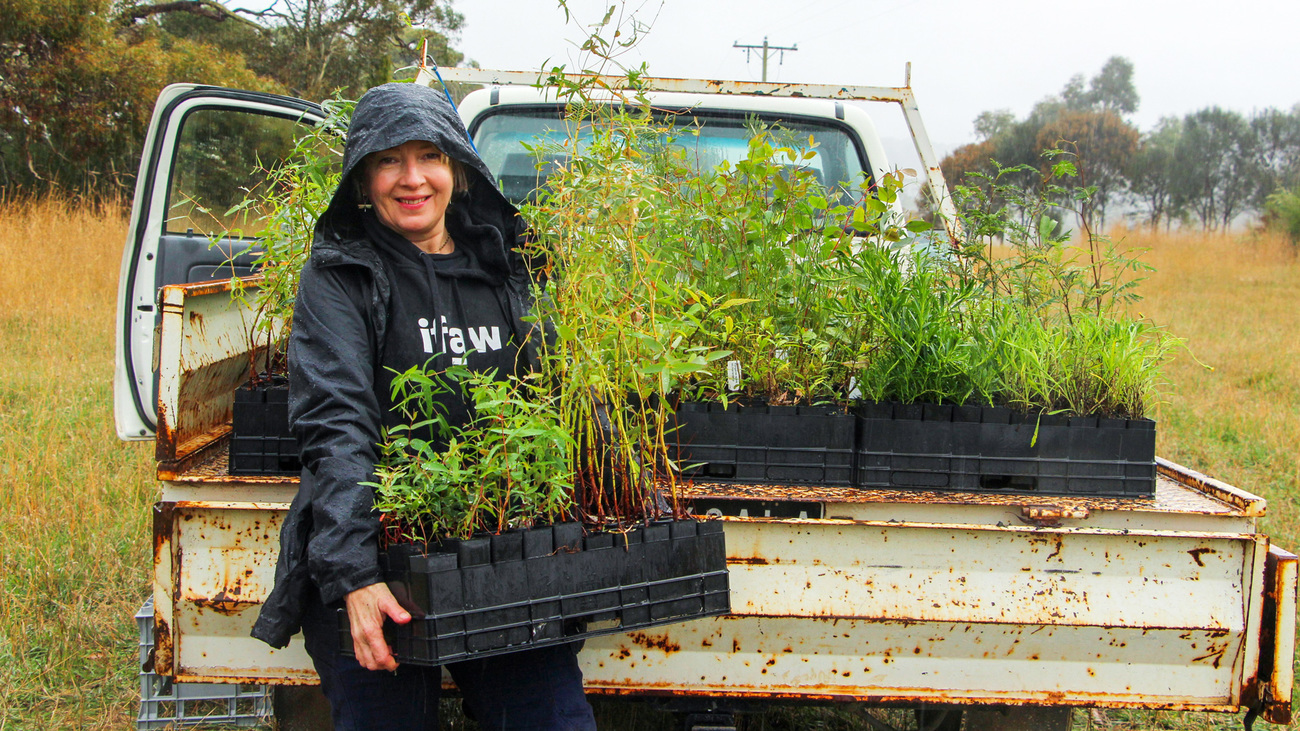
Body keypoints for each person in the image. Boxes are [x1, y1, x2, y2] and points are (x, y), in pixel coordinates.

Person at [251, 82, 597, 731]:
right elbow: (337, 421)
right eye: (388, 160)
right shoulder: (341, 275)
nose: (411, 179)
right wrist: (354, 577)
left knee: (552, 718)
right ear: (362, 176)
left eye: (428, 156)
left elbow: (565, 396)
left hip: (499, 552)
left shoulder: (510, 269)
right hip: (381, 559)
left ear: (458, 169)